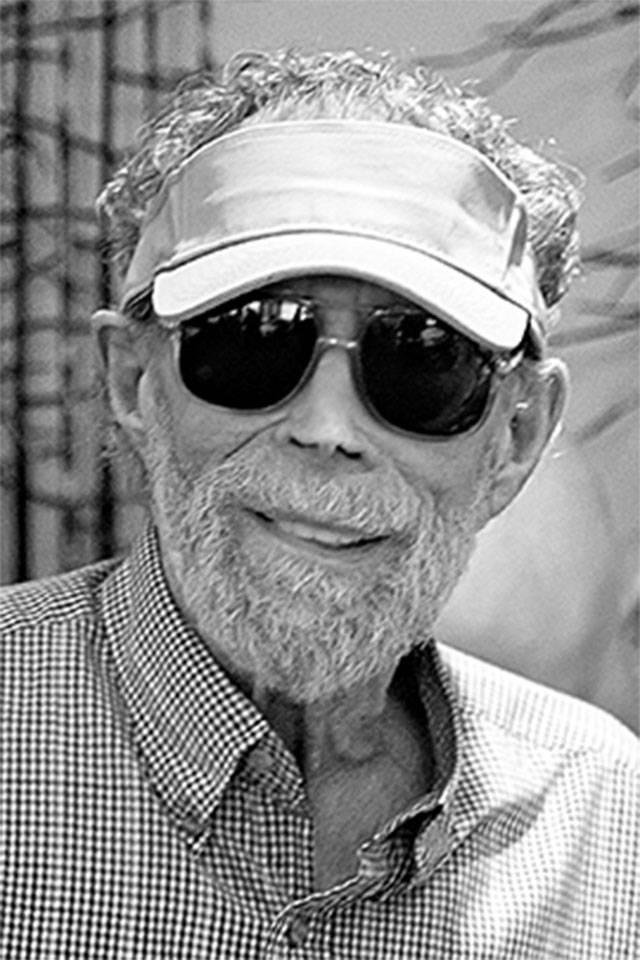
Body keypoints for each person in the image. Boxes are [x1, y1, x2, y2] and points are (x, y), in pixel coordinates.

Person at [1, 50, 637, 960]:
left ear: (518, 435)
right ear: (133, 380)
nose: (328, 428)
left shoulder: (605, 821)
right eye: (250, 338)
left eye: (423, 360)